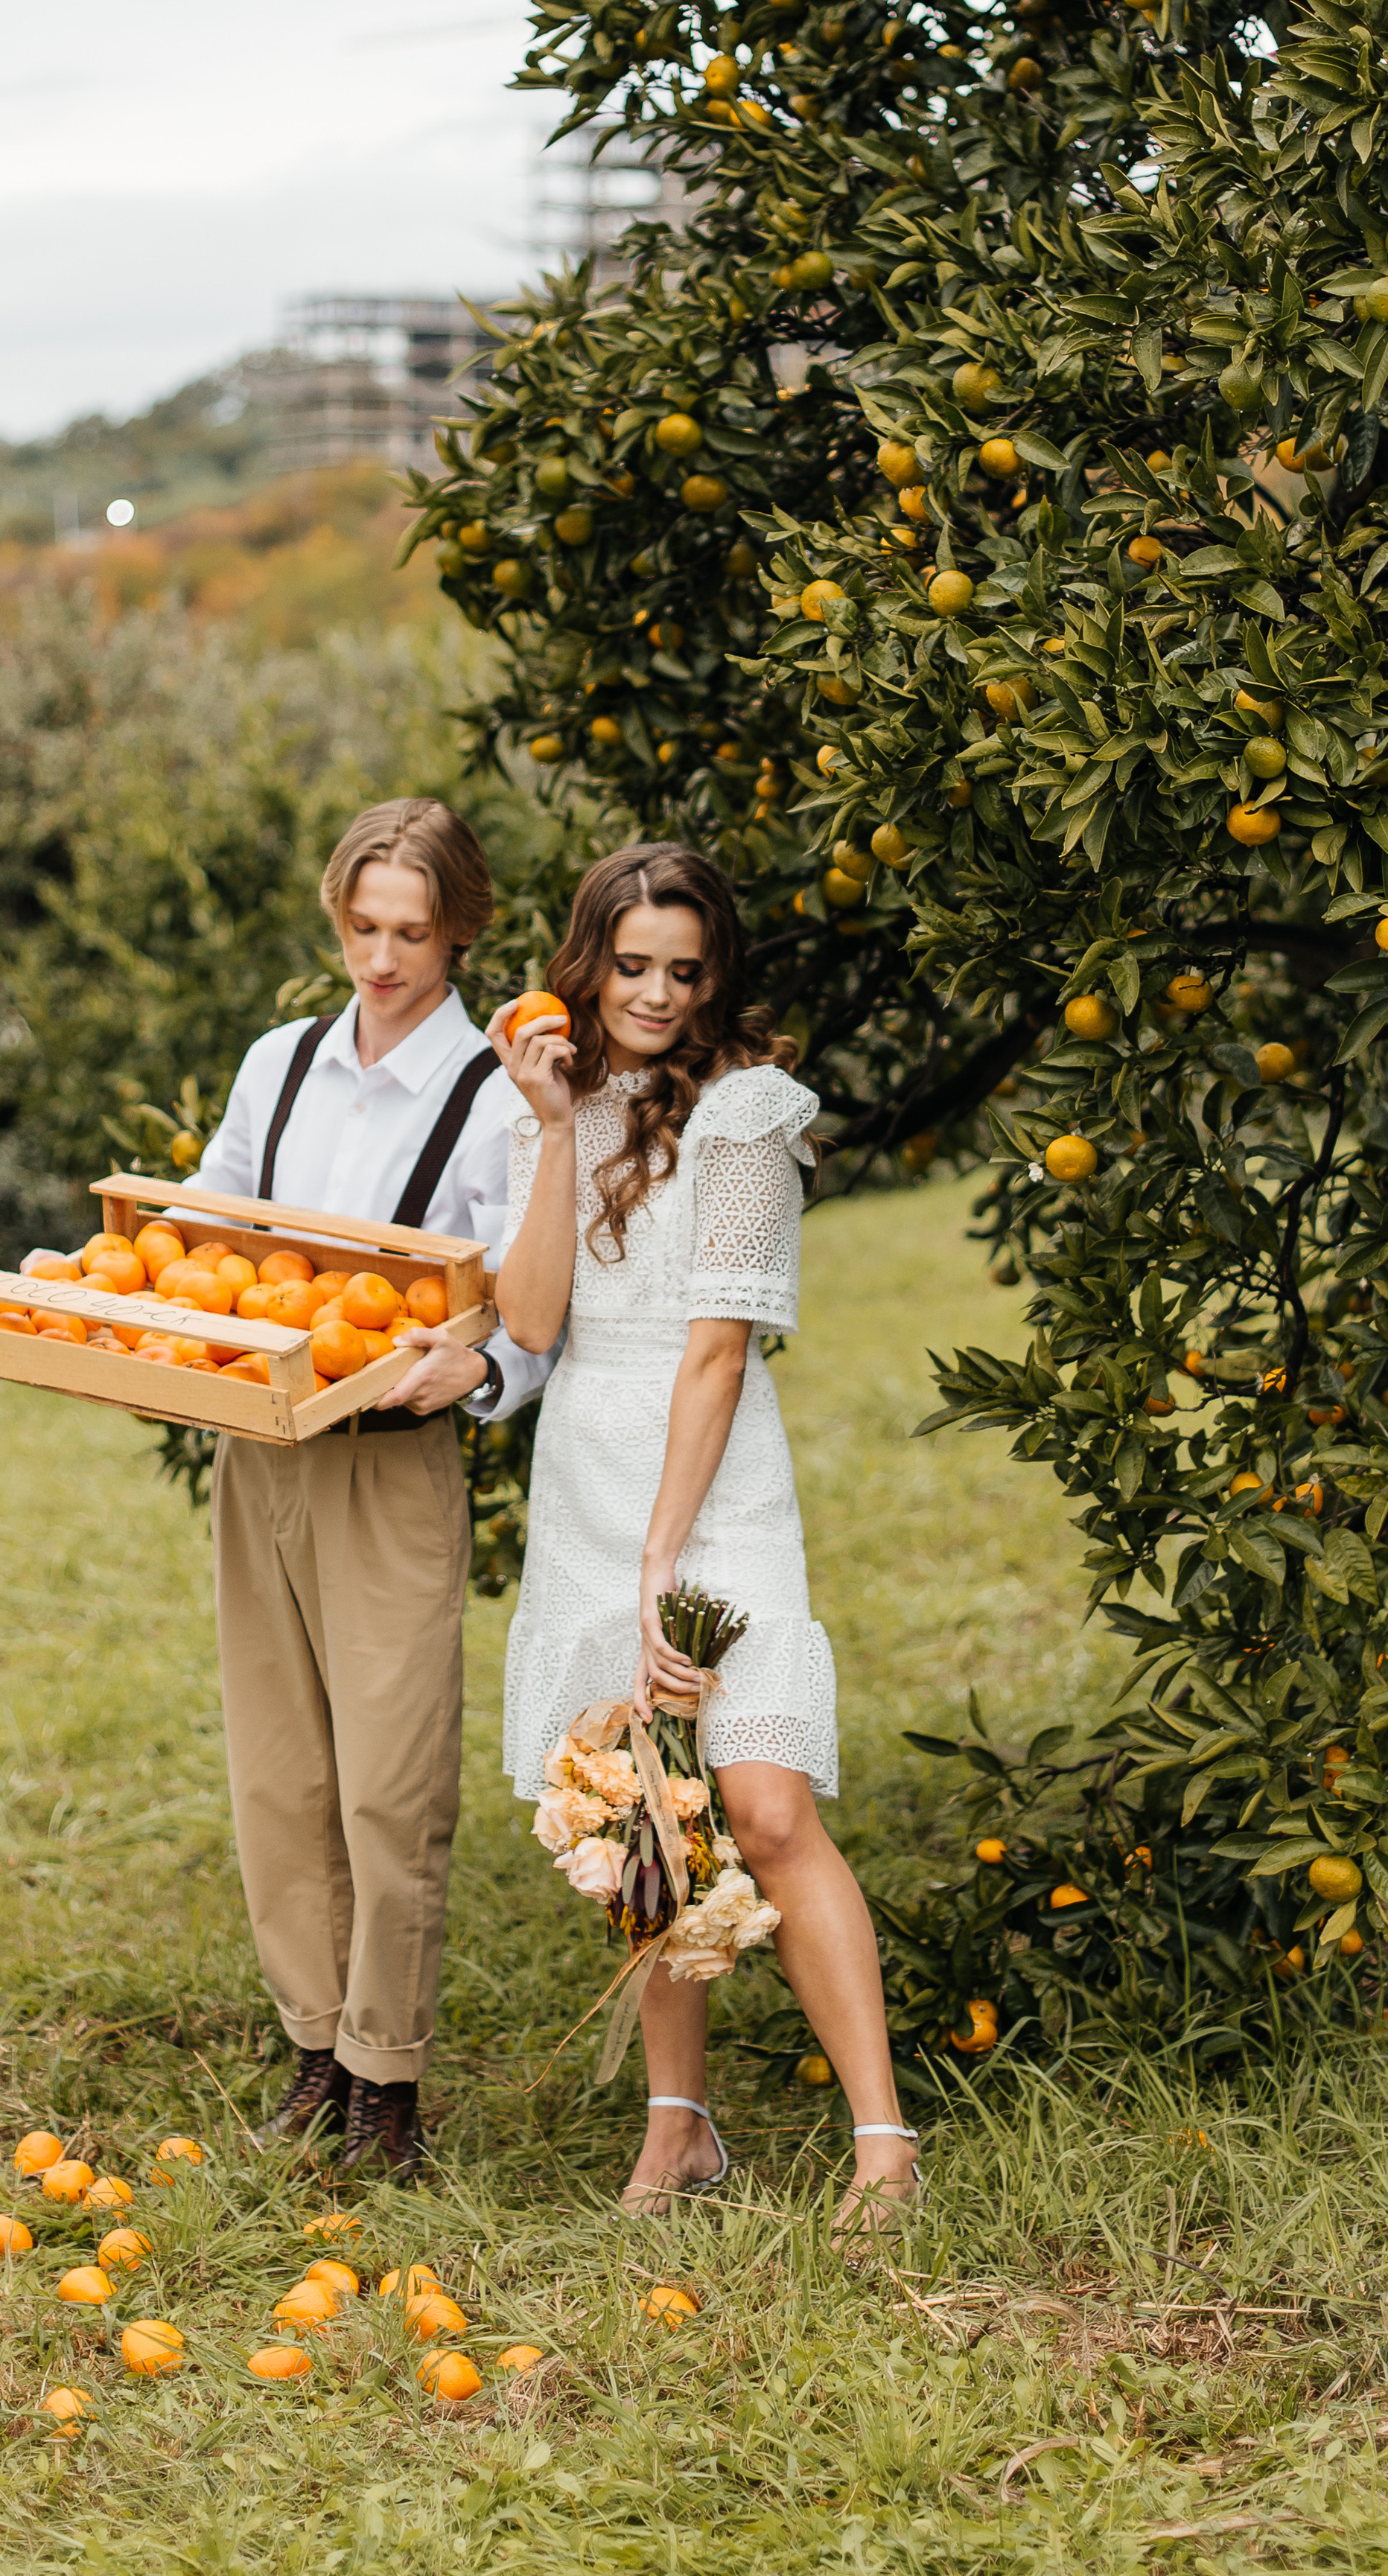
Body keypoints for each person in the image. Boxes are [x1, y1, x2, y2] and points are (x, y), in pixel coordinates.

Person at [491, 843, 919, 2239]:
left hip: (710, 1486)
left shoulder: (747, 1113)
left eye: (685, 970)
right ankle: (678, 2130)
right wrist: (555, 1130)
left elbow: (720, 1352)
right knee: (641, 1821)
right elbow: (538, 1323)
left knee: (765, 1811)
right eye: (631, 968)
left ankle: (883, 2147)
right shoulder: (552, 1103)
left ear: (714, 973)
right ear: (589, 960)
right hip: (586, 1479)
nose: (658, 995)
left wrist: (664, 1564)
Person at [178, 797, 550, 2180]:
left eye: (415, 935)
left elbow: (530, 1303)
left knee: (390, 1785)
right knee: (279, 1774)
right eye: (363, 927)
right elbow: (207, 1223)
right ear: (336, 913)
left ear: (461, 932)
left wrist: (485, 1377)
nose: (384, 960)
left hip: (392, 1470)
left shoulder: (496, 1097)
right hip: (258, 1455)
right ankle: (314, 2050)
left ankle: (389, 2079)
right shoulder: (279, 1063)